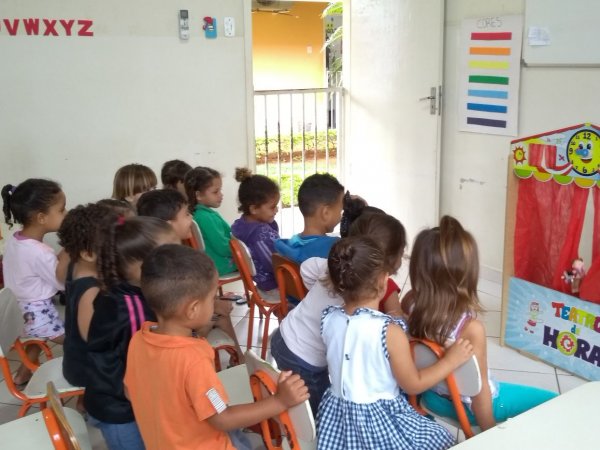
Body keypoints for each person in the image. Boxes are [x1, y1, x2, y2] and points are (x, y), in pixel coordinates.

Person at [124, 244, 309, 450]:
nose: (216, 303)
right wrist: (280, 402)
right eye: (212, 298)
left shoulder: (139, 339)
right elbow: (222, 417)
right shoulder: (194, 360)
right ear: (193, 309)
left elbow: (130, 391)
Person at [404, 216, 558, 431]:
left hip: (431, 398)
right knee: (553, 400)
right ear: (466, 275)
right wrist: (488, 433)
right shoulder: (471, 328)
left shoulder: (409, 302)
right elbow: (480, 390)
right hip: (465, 408)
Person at [317, 236, 472, 449]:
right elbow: (412, 384)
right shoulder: (389, 331)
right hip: (378, 423)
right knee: (440, 439)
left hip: (337, 420)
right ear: (383, 283)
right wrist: (450, 361)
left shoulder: (328, 318)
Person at [271, 212, 407, 414]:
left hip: (283, 336)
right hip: (305, 361)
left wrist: (319, 288)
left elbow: (306, 269)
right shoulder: (363, 306)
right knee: (322, 415)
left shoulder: (334, 269)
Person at [84, 216, 180, 450]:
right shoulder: (130, 310)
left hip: (127, 397)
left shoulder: (129, 292)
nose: (180, 260)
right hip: (120, 409)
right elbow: (142, 364)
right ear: (139, 265)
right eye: (169, 255)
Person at [137, 188, 244, 360]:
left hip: (179, 318)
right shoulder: (166, 262)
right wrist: (215, 306)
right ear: (169, 225)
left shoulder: (167, 253)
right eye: (186, 214)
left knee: (221, 315)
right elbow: (180, 305)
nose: (191, 218)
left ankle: (239, 360)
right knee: (219, 315)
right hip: (177, 330)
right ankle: (209, 359)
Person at [1, 179, 68, 386]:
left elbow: (44, 267)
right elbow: (61, 283)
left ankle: (22, 374)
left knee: (37, 337)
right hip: (37, 313)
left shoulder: (15, 240)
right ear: (41, 218)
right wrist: (70, 250)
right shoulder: (40, 252)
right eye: (62, 210)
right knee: (76, 341)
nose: (66, 214)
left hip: (18, 310)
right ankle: (81, 375)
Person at [57, 203, 118, 388]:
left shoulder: (74, 267)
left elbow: (60, 271)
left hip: (79, 362)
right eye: (114, 245)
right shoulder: (91, 291)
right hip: (87, 370)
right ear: (88, 254)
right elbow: (93, 338)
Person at [231, 167, 280, 297]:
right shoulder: (261, 234)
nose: (276, 210)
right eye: (272, 207)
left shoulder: (239, 225)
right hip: (272, 285)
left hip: (259, 281)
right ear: (254, 209)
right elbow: (276, 263)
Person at [274, 173, 344, 264]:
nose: (341, 216)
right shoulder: (334, 248)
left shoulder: (290, 245)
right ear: (326, 213)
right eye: (340, 211)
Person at [184, 166, 236, 276]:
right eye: (215, 192)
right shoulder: (206, 217)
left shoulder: (196, 214)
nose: (221, 195)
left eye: (220, 190)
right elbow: (222, 247)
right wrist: (242, 248)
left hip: (212, 264)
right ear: (198, 195)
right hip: (221, 266)